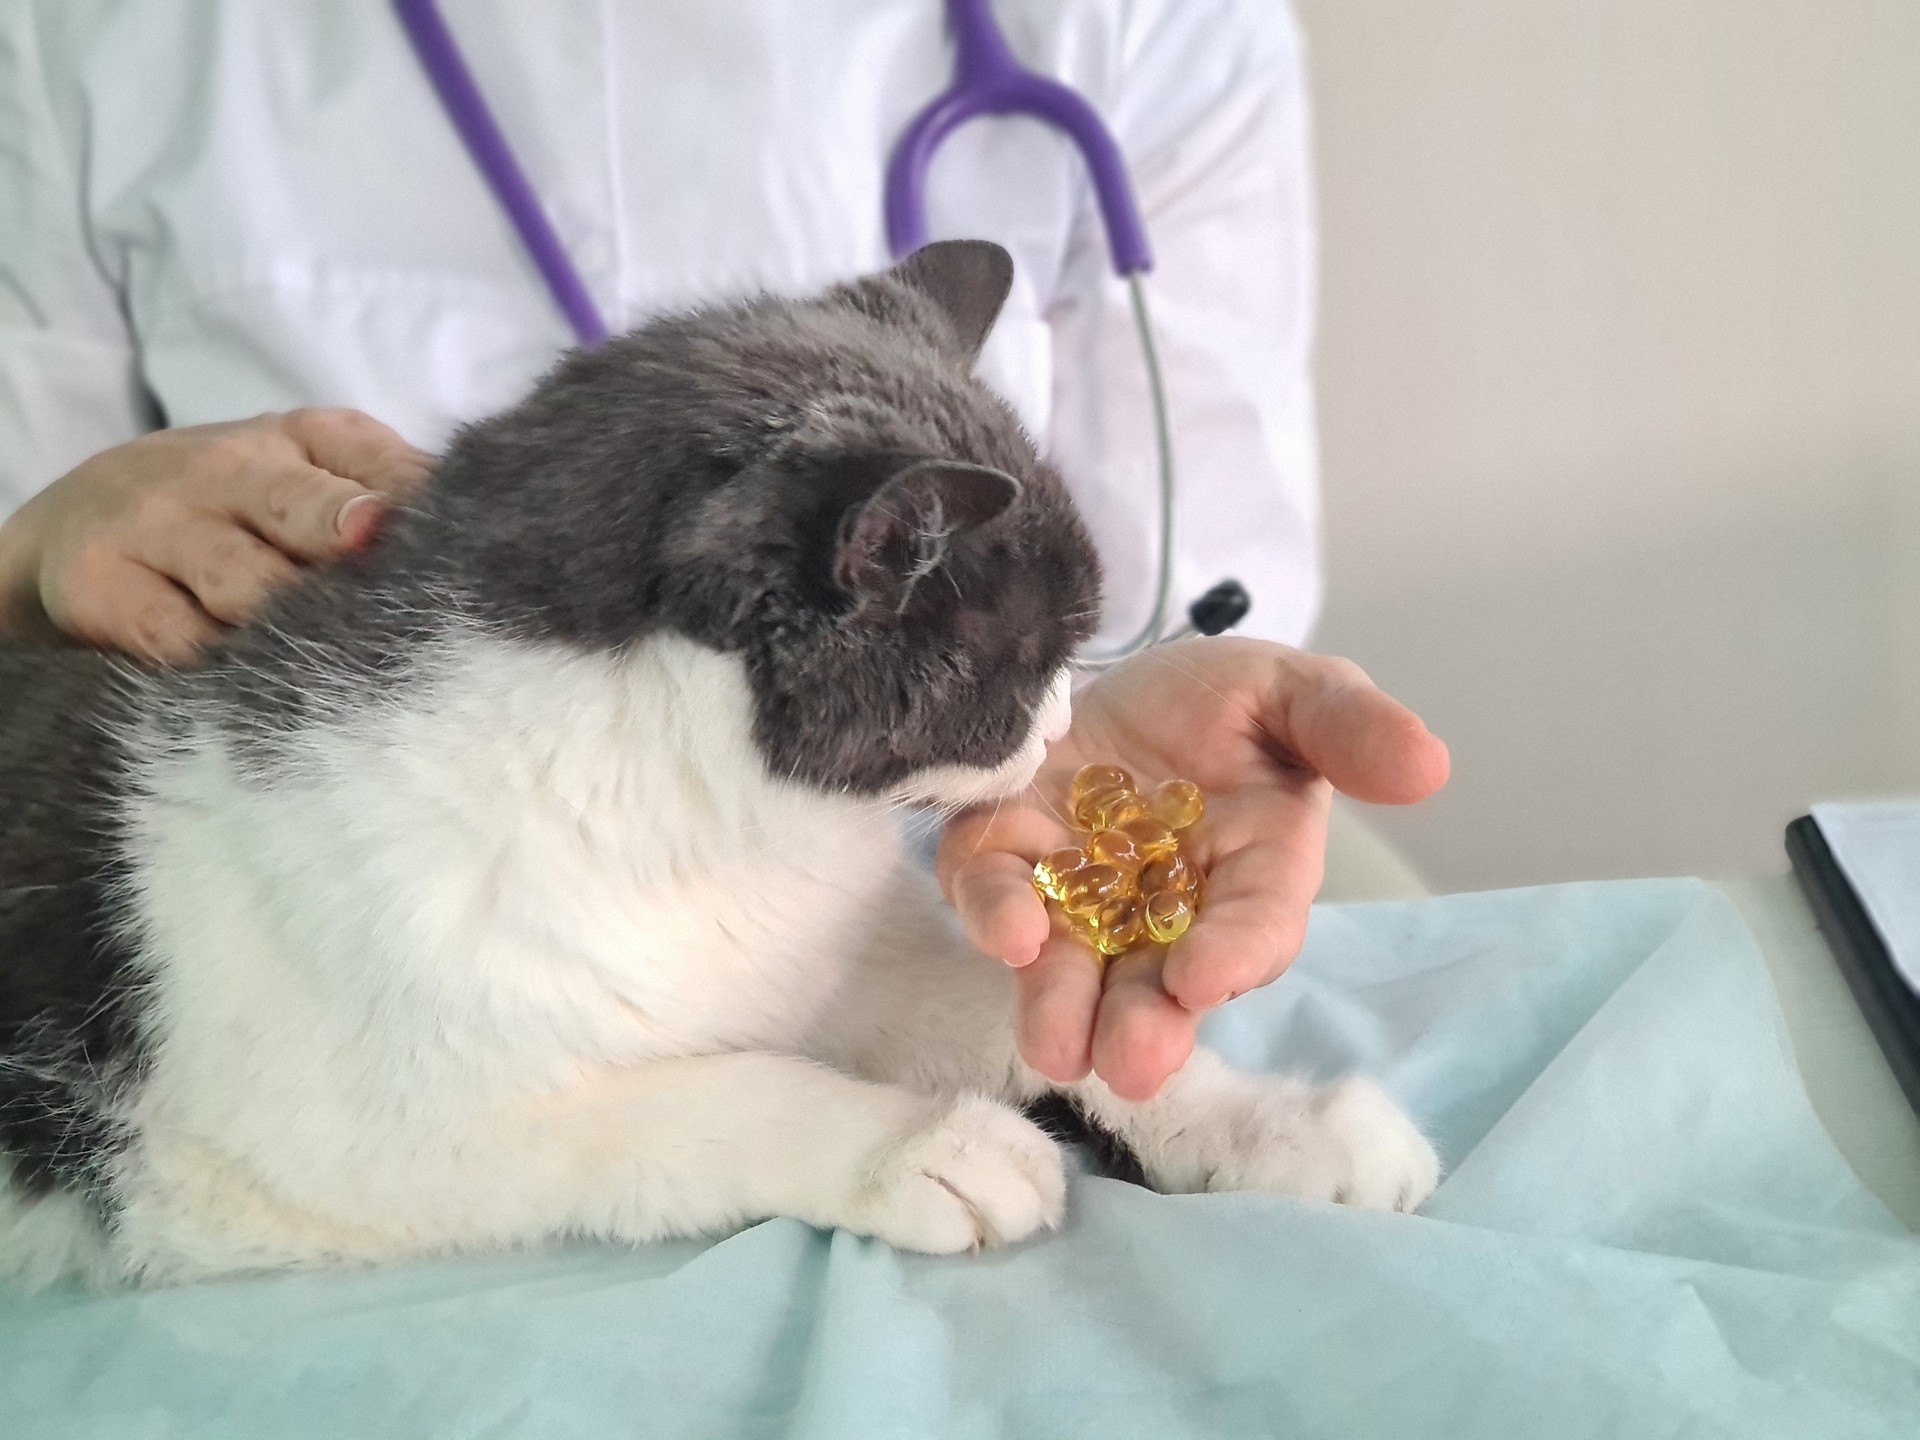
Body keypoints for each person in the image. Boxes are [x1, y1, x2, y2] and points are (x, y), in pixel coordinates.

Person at [0, 0, 1446, 1101]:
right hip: (361, 915)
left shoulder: (1151, 24)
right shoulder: (89, 36)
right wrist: (26, 556)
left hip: (952, 842)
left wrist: (1098, 724)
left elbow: (1199, 571)